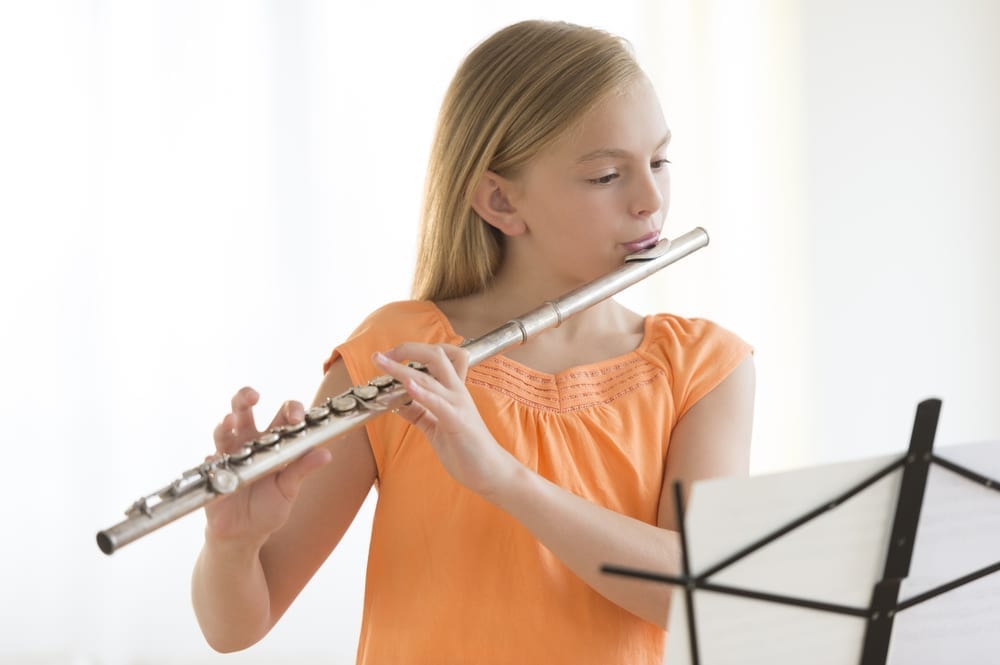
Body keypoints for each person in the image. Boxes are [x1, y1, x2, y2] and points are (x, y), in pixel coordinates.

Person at [191, 19, 755, 665]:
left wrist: (504, 477)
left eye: (658, 161)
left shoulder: (702, 366)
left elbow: (701, 595)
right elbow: (235, 627)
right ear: (499, 200)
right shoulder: (398, 353)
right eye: (606, 176)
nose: (650, 200)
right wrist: (231, 544)